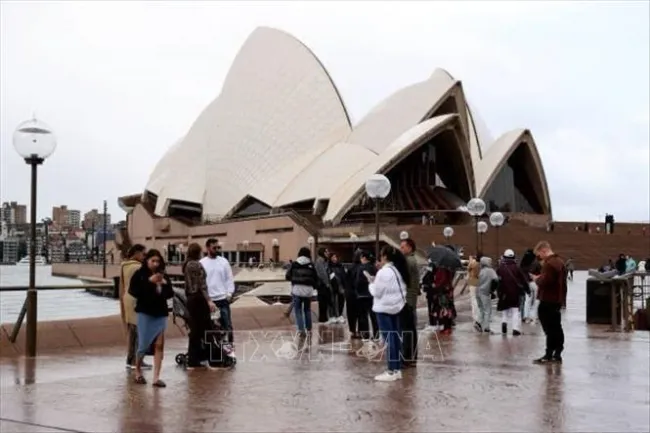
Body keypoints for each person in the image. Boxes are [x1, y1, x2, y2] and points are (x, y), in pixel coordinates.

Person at [128, 249, 173, 387]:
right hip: (145, 313)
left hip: (160, 313)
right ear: (147, 261)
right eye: (152, 261)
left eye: (157, 261)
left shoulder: (163, 275)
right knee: (143, 345)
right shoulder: (139, 274)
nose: (155, 264)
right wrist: (149, 282)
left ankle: (156, 377)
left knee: (159, 345)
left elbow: (169, 293)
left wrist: (164, 284)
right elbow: (134, 291)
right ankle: (138, 371)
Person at [369, 245, 409, 382]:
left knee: (389, 339)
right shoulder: (397, 270)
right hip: (396, 307)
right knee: (395, 338)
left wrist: (371, 284)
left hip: (384, 308)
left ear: (385, 256)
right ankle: (396, 369)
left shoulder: (383, 272)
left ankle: (392, 370)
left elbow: (377, 292)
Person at [531, 241, 567, 364]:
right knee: (557, 326)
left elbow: (545, 281)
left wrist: (537, 279)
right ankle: (557, 353)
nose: (539, 257)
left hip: (548, 299)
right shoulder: (560, 262)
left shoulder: (550, 264)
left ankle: (548, 354)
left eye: (539, 255)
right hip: (557, 299)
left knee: (549, 328)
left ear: (544, 250)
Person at [183, 242, 217, 370]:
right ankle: (210, 359)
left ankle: (193, 360)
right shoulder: (196, 265)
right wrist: (209, 300)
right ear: (198, 252)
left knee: (195, 331)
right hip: (199, 299)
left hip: (190, 300)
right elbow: (202, 285)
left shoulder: (186, 265)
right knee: (207, 329)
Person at [119, 244, 151, 370]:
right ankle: (137, 361)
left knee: (132, 331)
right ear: (137, 253)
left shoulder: (124, 266)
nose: (145, 256)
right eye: (143, 254)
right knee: (140, 331)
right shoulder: (138, 267)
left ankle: (130, 359)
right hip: (137, 301)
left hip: (127, 299)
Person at [200, 238, 236, 346]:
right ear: (207, 248)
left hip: (222, 299)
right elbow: (201, 283)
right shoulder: (202, 263)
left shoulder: (223, 262)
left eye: (218, 247)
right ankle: (211, 350)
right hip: (208, 301)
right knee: (209, 327)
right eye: (214, 247)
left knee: (227, 326)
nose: (216, 249)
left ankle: (229, 350)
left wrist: (229, 293)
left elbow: (229, 278)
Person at [285, 247, 318, 338]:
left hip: (297, 290)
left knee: (298, 310)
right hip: (308, 291)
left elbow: (287, 276)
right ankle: (309, 328)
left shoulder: (295, 264)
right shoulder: (311, 265)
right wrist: (313, 287)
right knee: (307, 309)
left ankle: (301, 330)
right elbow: (316, 278)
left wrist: (294, 280)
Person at [496, 249, 529, 336]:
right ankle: (515, 329)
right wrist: (527, 290)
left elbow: (497, 281)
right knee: (515, 311)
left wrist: (497, 291)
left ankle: (504, 323)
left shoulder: (500, 268)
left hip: (503, 293)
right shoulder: (517, 268)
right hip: (515, 293)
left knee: (505, 310)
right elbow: (523, 280)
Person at [399, 238, 420, 367]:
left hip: (407, 299)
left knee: (406, 330)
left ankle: (407, 357)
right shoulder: (412, 260)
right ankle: (411, 357)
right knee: (411, 329)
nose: (401, 249)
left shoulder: (408, 261)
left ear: (410, 248)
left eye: (403, 247)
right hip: (411, 299)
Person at [353, 250, 378, 341]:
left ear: (363, 258)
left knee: (363, 316)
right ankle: (376, 335)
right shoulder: (374, 267)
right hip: (372, 295)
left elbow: (357, 282)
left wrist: (357, 290)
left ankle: (365, 335)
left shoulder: (361, 268)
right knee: (373, 315)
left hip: (362, 294)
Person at [476, 256, 498, 333]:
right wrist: (492, 290)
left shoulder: (481, 271)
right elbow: (496, 280)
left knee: (481, 309)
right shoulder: (490, 271)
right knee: (488, 310)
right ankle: (486, 327)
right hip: (485, 292)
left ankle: (478, 322)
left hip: (478, 292)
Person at [315, 247, 334, 323]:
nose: (328, 253)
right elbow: (322, 273)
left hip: (324, 284)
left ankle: (324, 317)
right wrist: (327, 283)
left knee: (325, 302)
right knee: (322, 302)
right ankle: (322, 318)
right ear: (322, 252)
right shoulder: (320, 261)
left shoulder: (325, 261)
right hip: (322, 285)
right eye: (326, 252)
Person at [328, 253, 347, 324]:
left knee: (341, 301)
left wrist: (344, 285)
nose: (335, 258)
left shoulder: (340, 266)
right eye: (333, 257)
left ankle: (339, 315)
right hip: (332, 286)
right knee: (332, 301)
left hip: (340, 286)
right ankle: (333, 316)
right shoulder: (328, 266)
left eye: (335, 257)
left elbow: (344, 276)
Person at [467, 254, 482, 331]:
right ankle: (479, 317)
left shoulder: (473, 263)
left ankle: (475, 317)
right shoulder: (481, 264)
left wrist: (470, 260)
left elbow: (468, 268)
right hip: (479, 282)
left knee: (473, 300)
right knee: (478, 300)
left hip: (472, 282)